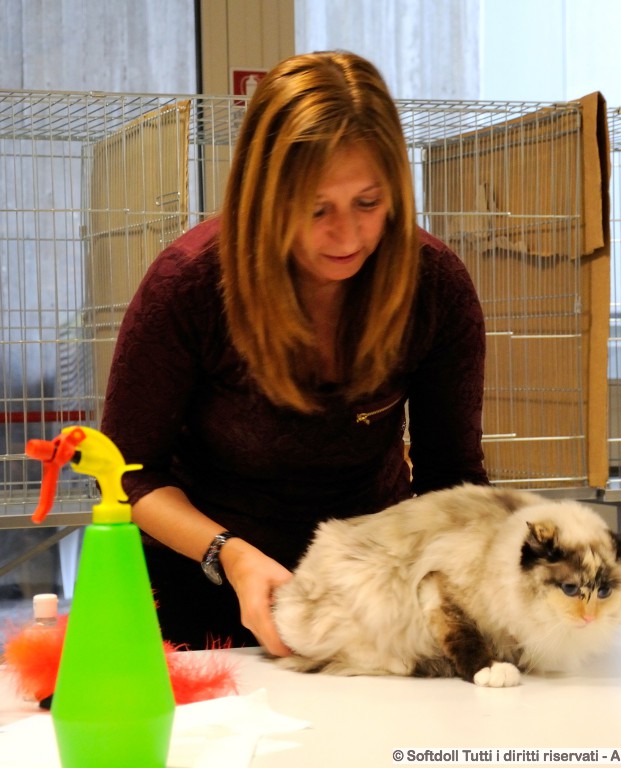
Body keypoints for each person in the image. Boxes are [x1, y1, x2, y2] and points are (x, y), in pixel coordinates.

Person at [100, 50, 489, 655]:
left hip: (367, 592)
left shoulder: (434, 284)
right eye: (315, 208)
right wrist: (228, 555)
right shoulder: (190, 283)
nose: (347, 235)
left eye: (368, 203)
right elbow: (129, 473)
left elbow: (452, 477)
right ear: (264, 197)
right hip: (204, 584)